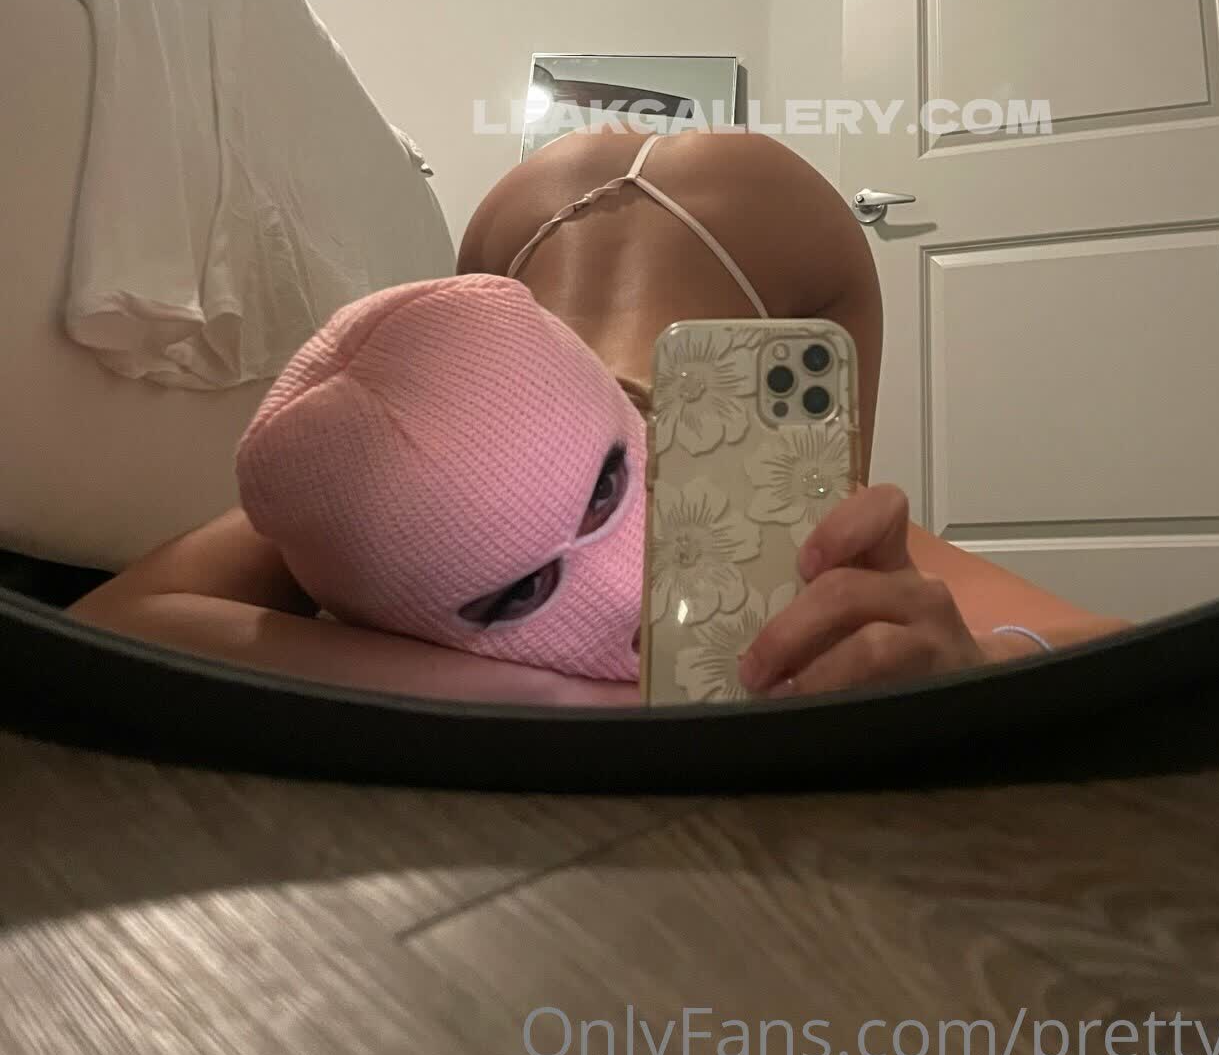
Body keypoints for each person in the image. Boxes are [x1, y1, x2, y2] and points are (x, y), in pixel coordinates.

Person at [72, 126, 1128, 703]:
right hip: (528, 218)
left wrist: (966, 660)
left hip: (767, 235)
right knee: (807, 605)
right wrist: (569, 706)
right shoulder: (408, 472)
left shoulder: (700, 456)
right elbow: (105, 635)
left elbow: (1110, 652)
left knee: (825, 563)